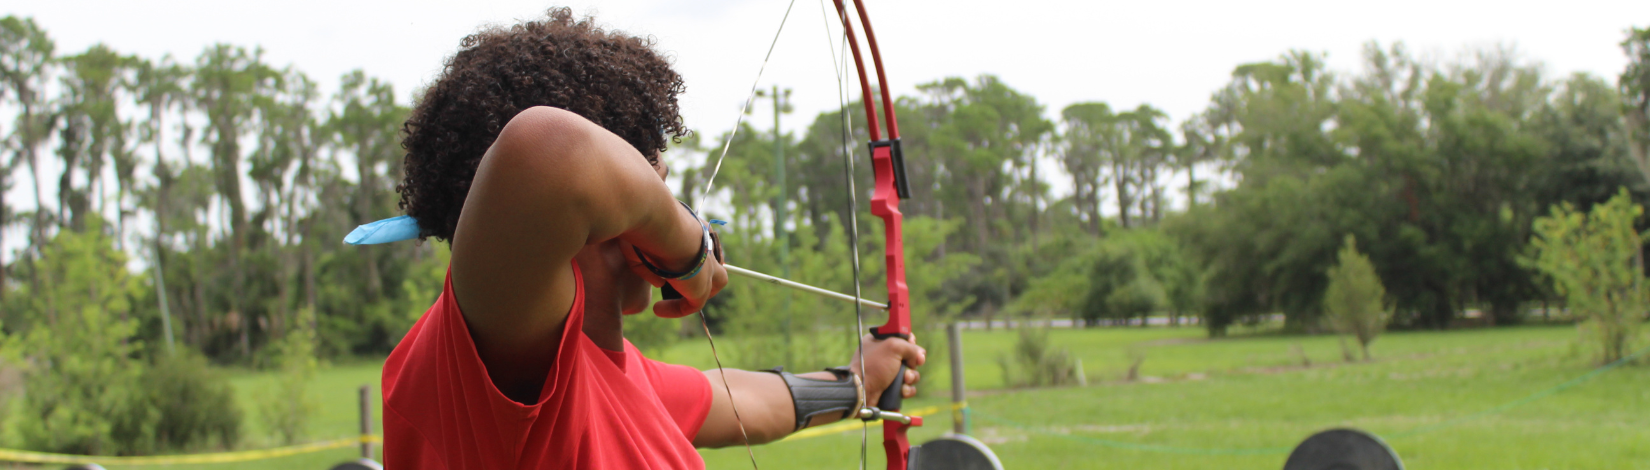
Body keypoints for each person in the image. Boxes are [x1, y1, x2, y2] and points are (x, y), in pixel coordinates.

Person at [379, 8, 925, 469]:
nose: (675, 207)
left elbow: (736, 398)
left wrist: (855, 384)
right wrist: (689, 249)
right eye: (658, 188)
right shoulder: (488, 361)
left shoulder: (614, 371)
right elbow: (550, 148)